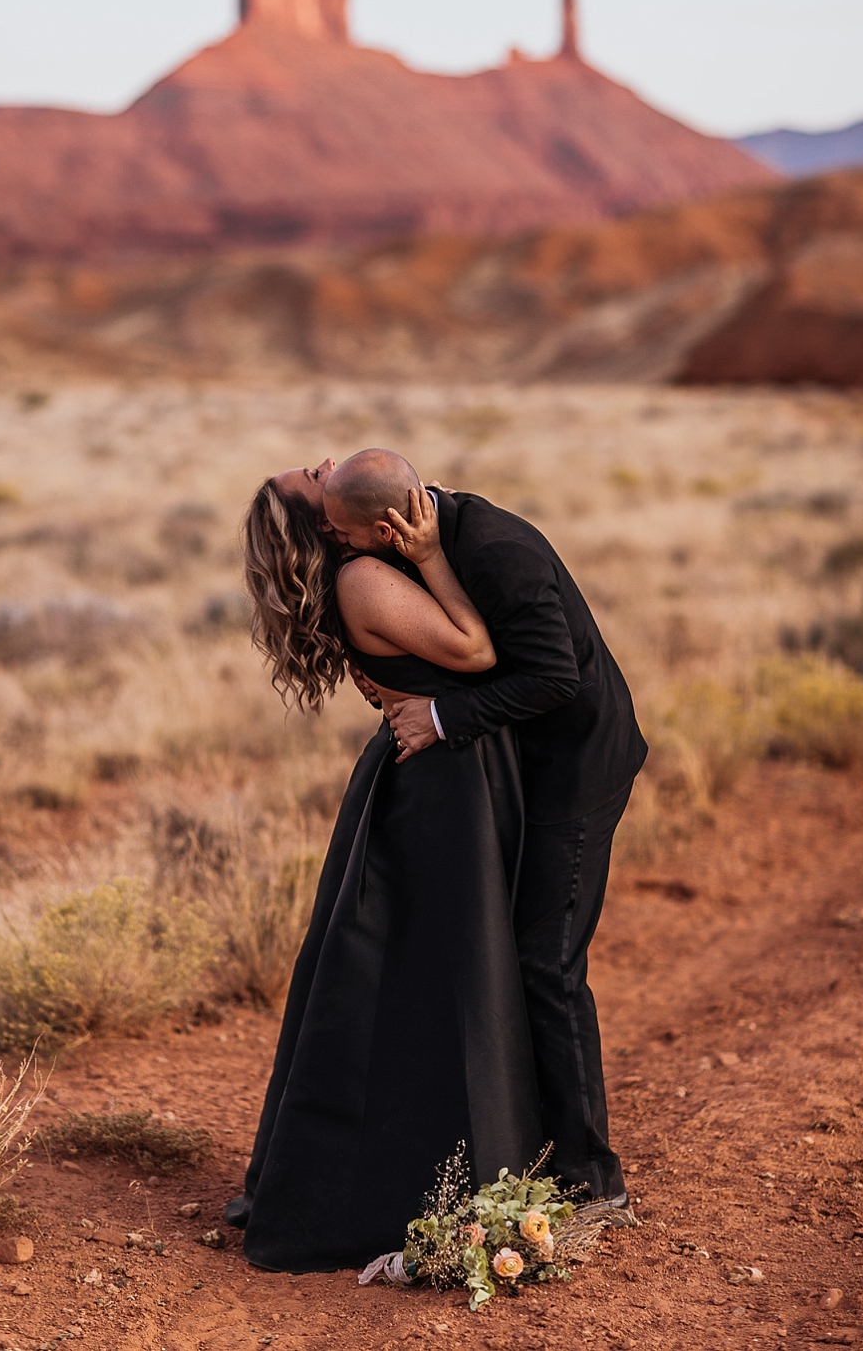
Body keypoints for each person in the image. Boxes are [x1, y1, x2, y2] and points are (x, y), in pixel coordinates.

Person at [270, 450, 647, 1207]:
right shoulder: (387, 557)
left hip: (573, 772)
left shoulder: (497, 549)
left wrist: (438, 715)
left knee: (547, 964)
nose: (319, 464)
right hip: (501, 779)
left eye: (343, 533)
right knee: (496, 960)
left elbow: (553, 677)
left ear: (380, 526)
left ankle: (591, 1179)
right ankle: (519, 1145)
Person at [233, 476, 543, 1271]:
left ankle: (448, 1170)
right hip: (443, 784)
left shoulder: (360, 571)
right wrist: (435, 558)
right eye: (311, 476)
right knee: (440, 974)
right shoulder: (363, 578)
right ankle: (402, 1189)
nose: (324, 465)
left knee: (406, 968)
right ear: (321, 523)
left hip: (441, 765)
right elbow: (475, 650)